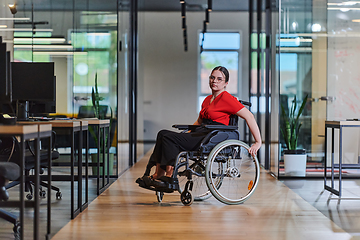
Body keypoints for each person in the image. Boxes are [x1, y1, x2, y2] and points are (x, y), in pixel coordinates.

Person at [136, 66, 262, 189]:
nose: (214, 81)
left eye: (219, 79)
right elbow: (199, 121)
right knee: (162, 134)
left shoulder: (227, 98)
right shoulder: (207, 99)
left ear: (226, 83)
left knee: (170, 139)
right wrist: (187, 133)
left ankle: (170, 177)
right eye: (212, 77)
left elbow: (249, 116)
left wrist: (258, 142)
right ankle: (159, 174)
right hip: (201, 131)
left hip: (212, 136)